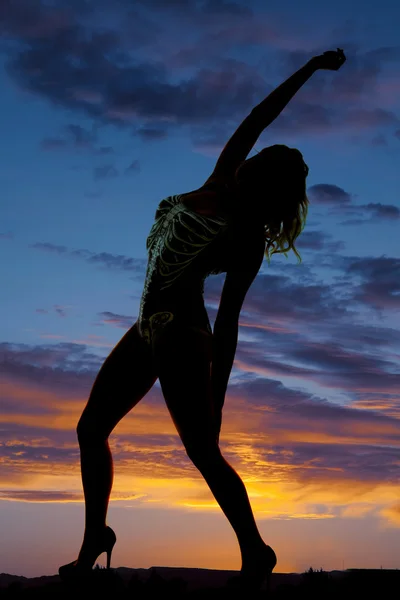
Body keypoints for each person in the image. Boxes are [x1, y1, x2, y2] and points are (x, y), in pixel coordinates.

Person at [59, 48, 346, 589]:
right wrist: (309, 70)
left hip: (185, 337)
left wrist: (217, 396)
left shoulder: (245, 240)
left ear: (269, 183)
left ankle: (256, 550)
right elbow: (260, 115)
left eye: (268, 161)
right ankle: (95, 535)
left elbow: (230, 321)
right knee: (91, 428)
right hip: (148, 327)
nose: (256, 155)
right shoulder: (219, 178)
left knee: (202, 451)